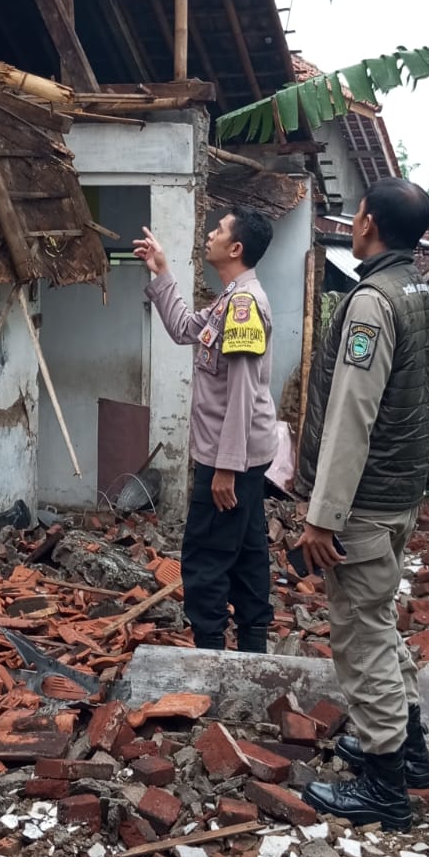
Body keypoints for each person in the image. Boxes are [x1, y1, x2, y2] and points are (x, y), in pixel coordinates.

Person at [294, 178, 429, 829]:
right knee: (379, 624)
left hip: (364, 503)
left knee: (359, 640)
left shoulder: (371, 303)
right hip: (401, 492)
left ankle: (385, 788)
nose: (352, 222)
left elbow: (352, 416)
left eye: (356, 214)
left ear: (368, 225)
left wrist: (323, 516)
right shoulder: (423, 294)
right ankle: (406, 752)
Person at [134, 209, 278, 653]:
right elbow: (182, 329)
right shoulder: (229, 301)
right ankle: (254, 653)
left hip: (230, 458)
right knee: (250, 551)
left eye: (219, 230)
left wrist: (225, 468)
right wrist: (162, 271)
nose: (210, 234)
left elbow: (242, 392)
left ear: (235, 249)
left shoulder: (243, 306)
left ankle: (211, 656)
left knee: (206, 559)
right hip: (243, 455)